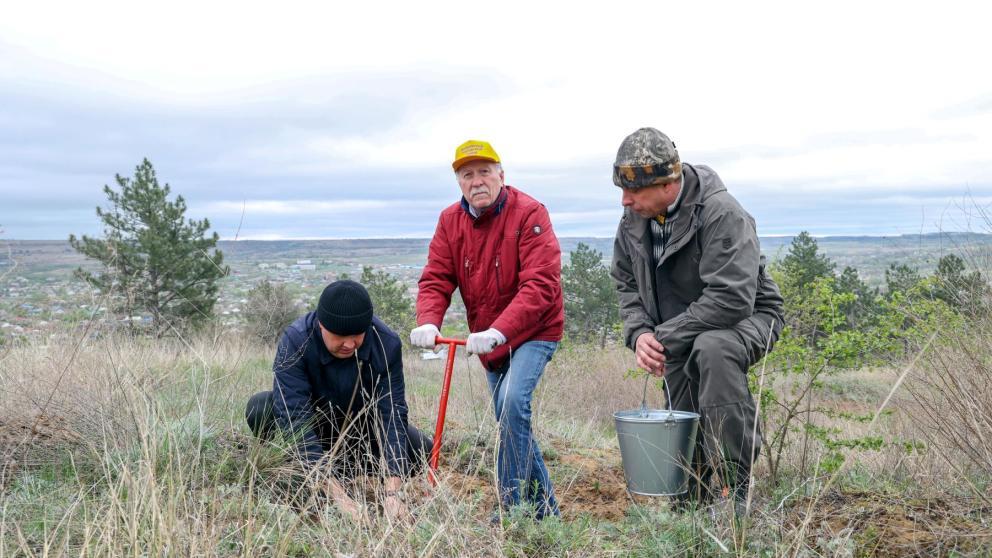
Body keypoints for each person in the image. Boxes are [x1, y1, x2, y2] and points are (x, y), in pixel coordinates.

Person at [609, 127, 785, 513]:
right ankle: (693, 495)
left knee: (712, 349)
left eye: (633, 191)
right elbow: (625, 281)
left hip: (750, 315)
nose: (625, 200)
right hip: (679, 322)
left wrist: (664, 335)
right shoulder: (634, 219)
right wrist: (640, 334)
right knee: (680, 399)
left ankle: (737, 489)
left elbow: (732, 298)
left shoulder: (723, 213)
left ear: (668, 184)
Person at [410, 139, 565, 520]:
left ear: (501, 174)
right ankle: (547, 514)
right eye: (467, 175)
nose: (476, 181)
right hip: (488, 339)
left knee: (512, 405)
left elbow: (541, 286)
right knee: (509, 420)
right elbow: (436, 278)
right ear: (459, 182)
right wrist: (429, 319)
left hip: (534, 331)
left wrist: (500, 330)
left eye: (484, 172)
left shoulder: (530, 213)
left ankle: (512, 509)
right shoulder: (450, 221)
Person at [245, 279, 431, 522]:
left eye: (358, 335)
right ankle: (300, 469)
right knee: (260, 408)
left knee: (421, 449)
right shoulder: (296, 340)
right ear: (322, 325)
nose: (350, 344)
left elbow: (392, 414)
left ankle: (346, 468)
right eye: (341, 336)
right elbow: (294, 420)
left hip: (360, 432)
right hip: (315, 431)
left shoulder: (387, 343)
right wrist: (341, 498)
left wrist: (392, 492)